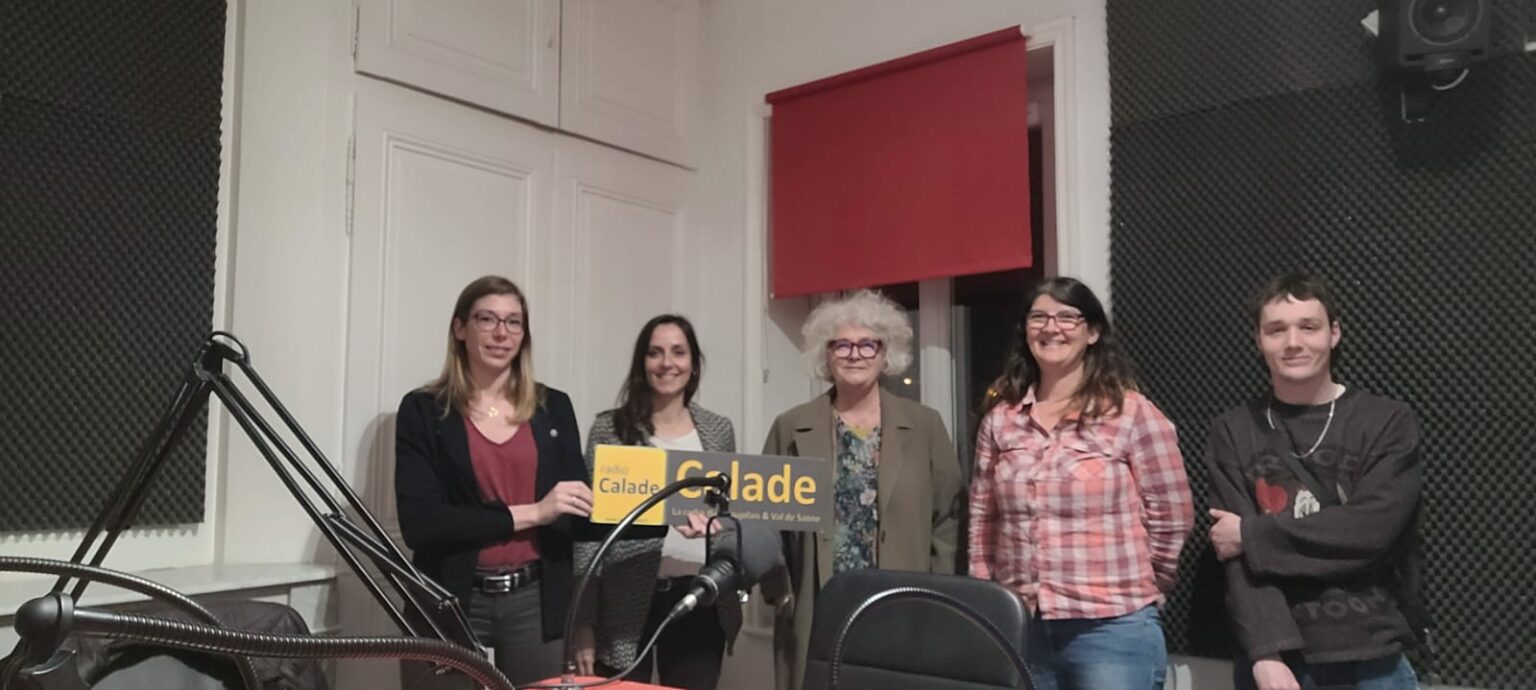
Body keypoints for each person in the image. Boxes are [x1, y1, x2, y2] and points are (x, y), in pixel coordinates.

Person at [968, 276, 1193, 690]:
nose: (1051, 328)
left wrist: (1148, 583)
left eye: (1067, 317)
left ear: (1093, 332)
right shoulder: (1002, 420)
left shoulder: (1132, 413)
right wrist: (988, 598)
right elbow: (984, 519)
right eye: (1039, 317)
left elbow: (1172, 514)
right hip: (1023, 627)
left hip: (1112, 629)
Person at [1205, 273, 1425, 690]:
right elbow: (1235, 563)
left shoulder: (1386, 421)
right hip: (1276, 662)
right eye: (1276, 330)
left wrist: (1251, 536)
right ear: (1258, 340)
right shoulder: (1233, 430)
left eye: (1308, 326)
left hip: (1374, 658)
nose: (1293, 342)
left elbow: (1371, 531)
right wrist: (1266, 655)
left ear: (1334, 333)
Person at [760, 289, 964, 690]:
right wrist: (779, 594)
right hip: (819, 606)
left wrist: (936, 592)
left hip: (901, 604)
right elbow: (765, 522)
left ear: (886, 354)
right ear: (825, 354)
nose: (855, 355)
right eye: (842, 345)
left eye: (868, 344)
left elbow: (948, 518)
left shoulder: (925, 425)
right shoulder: (791, 426)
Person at [394, 275, 592, 687]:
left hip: (536, 602)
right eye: (487, 319)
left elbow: (579, 512)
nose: (502, 333)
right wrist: (534, 512)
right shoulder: (423, 410)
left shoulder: (554, 407)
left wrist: (667, 515)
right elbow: (422, 525)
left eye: (514, 322)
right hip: (447, 598)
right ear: (460, 328)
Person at [570, 314, 741, 690]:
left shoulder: (719, 430)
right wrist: (583, 623)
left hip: (700, 598)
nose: (667, 363)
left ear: (693, 363)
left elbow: (730, 516)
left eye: (678, 352)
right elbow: (588, 534)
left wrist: (717, 530)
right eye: (655, 353)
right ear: (641, 363)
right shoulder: (609, 430)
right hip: (623, 604)